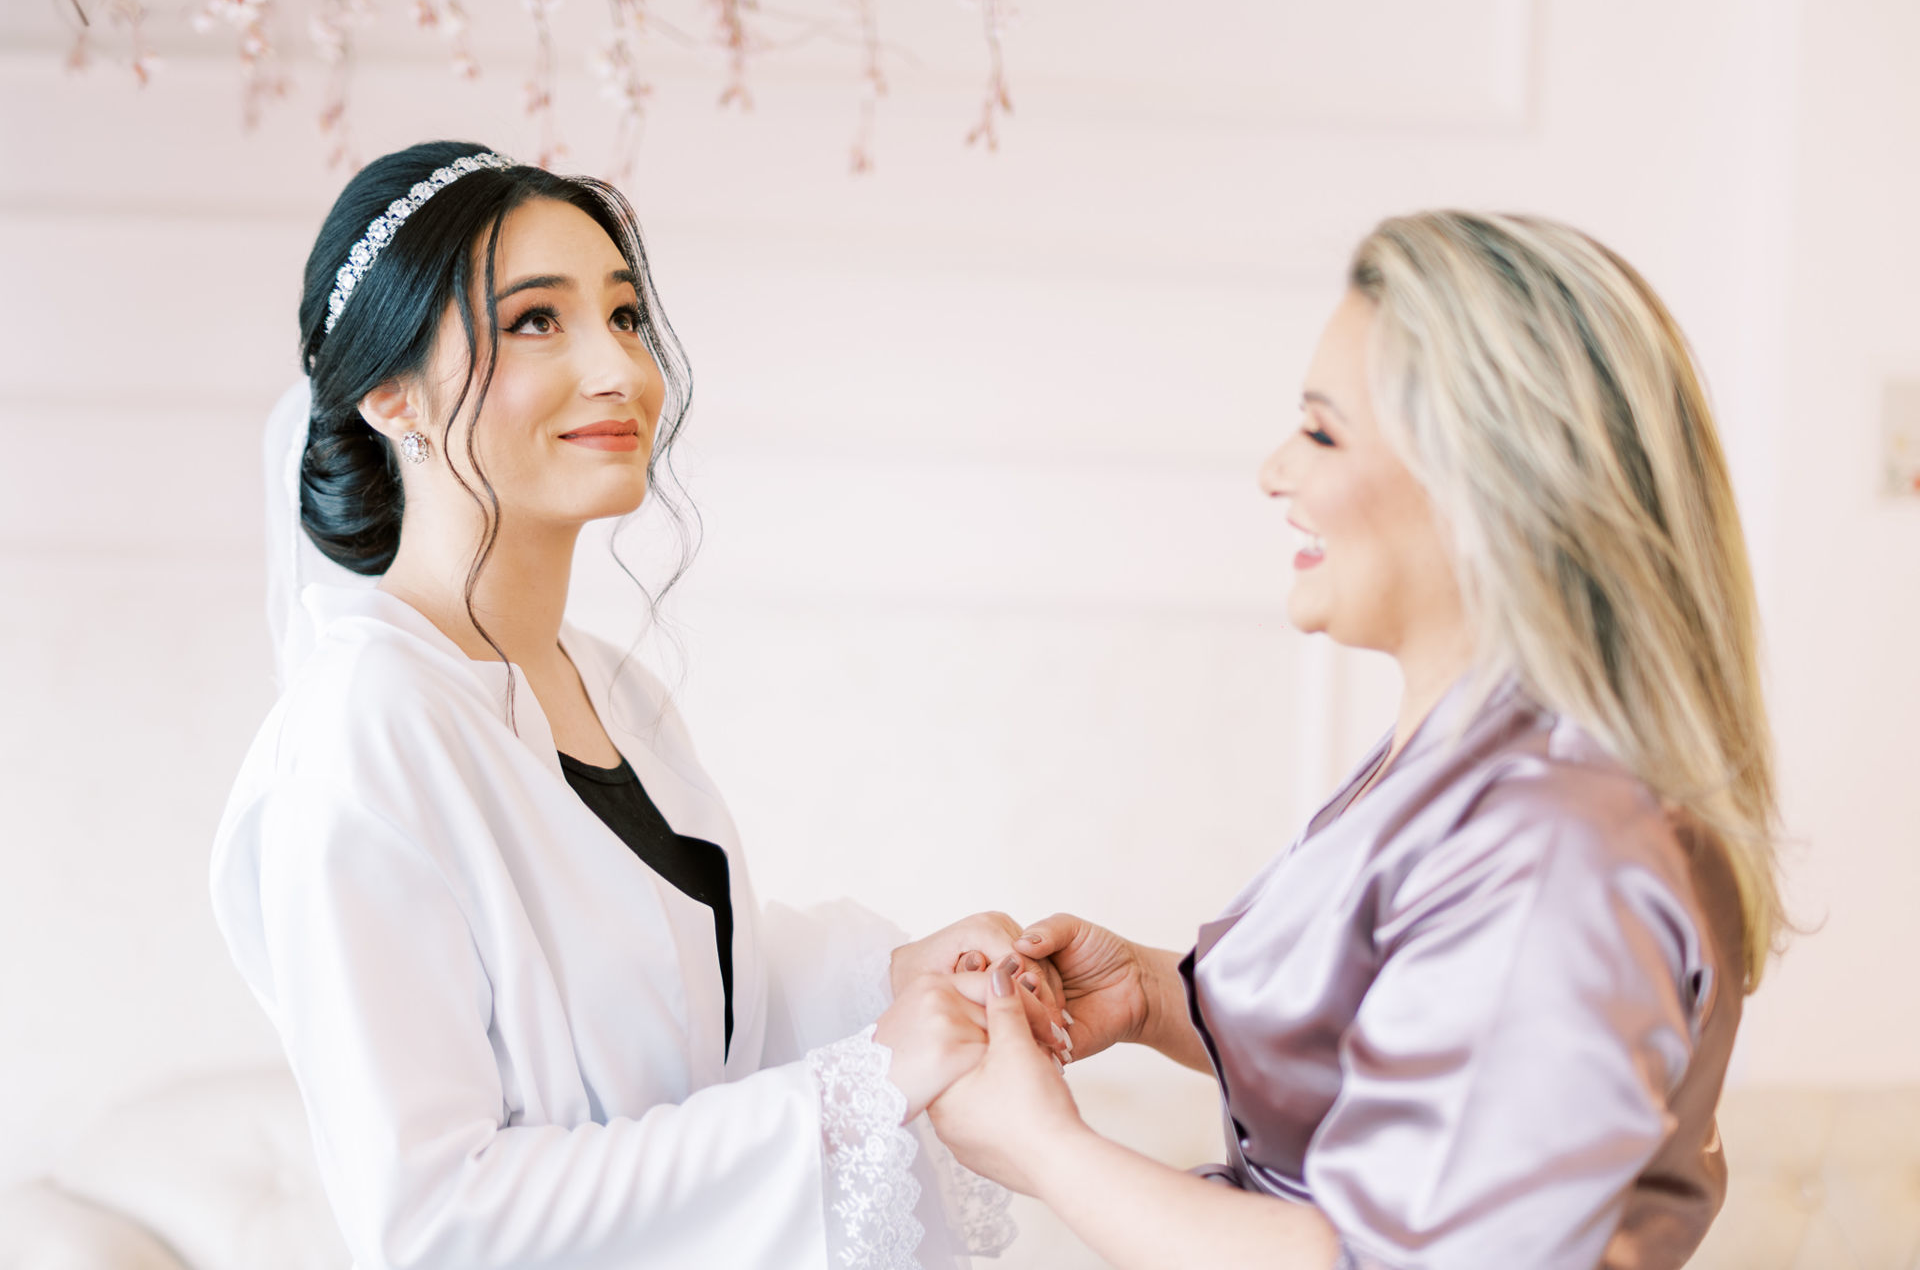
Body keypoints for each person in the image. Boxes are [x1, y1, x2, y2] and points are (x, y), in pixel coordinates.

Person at [210, 140, 1066, 1270]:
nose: (618, 368)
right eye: (535, 321)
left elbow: (681, 1012)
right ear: (389, 392)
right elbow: (436, 1219)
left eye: (623, 315)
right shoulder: (359, 734)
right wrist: (851, 1088)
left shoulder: (615, 686)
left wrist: (889, 985)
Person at [927, 211, 1784, 1270]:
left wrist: (1046, 1149)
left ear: (1492, 485)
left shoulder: (1560, 844)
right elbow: (1390, 1055)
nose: (1273, 471)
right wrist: (1151, 993)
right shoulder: (1470, 764)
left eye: (1322, 433)